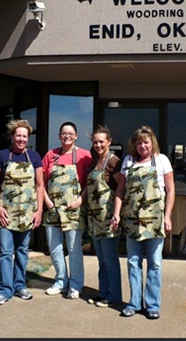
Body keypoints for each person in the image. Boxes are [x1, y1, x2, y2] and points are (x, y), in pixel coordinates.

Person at [111, 125, 175, 320]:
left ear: (152, 142)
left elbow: (171, 191)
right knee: (133, 262)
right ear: (134, 145)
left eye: (146, 142)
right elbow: (120, 191)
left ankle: (153, 305)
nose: (142, 146)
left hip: (155, 221)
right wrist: (116, 214)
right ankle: (134, 303)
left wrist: (167, 216)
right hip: (132, 221)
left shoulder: (162, 160)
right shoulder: (128, 162)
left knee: (154, 263)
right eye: (139, 143)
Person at [0, 119, 44, 305]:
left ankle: (19, 285)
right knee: (6, 251)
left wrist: (39, 211)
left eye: (24, 136)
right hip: (6, 213)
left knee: (22, 250)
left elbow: (39, 185)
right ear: (12, 137)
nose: (21, 139)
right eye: (18, 135)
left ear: (28, 138)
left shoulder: (35, 157)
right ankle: (5, 289)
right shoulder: (3, 156)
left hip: (27, 213)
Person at [68, 125, 123, 308]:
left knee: (110, 259)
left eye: (101, 141)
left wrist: (117, 214)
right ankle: (103, 293)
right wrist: (78, 201)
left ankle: (113, 296)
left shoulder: (114, 162)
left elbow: (122, 189)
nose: (98, 145)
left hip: (108, 220)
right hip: (94, 219)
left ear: (109, 142)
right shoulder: (94, 162)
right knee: (101, 259)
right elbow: (88, 188)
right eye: (95, 142)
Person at [42, 122, 93, 299]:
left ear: (76, 136)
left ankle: (76, 284)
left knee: (73, 248)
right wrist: (46, 200)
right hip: (52, 209)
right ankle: (60, 281)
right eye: (64, 133)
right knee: (54, 247)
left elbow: (89, 183)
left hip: (73, 210)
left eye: (70, 133)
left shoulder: (84, 156)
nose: (67, 136)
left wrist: (80, 200)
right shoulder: (50, 155)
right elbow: (40, 182)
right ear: (59, 136)